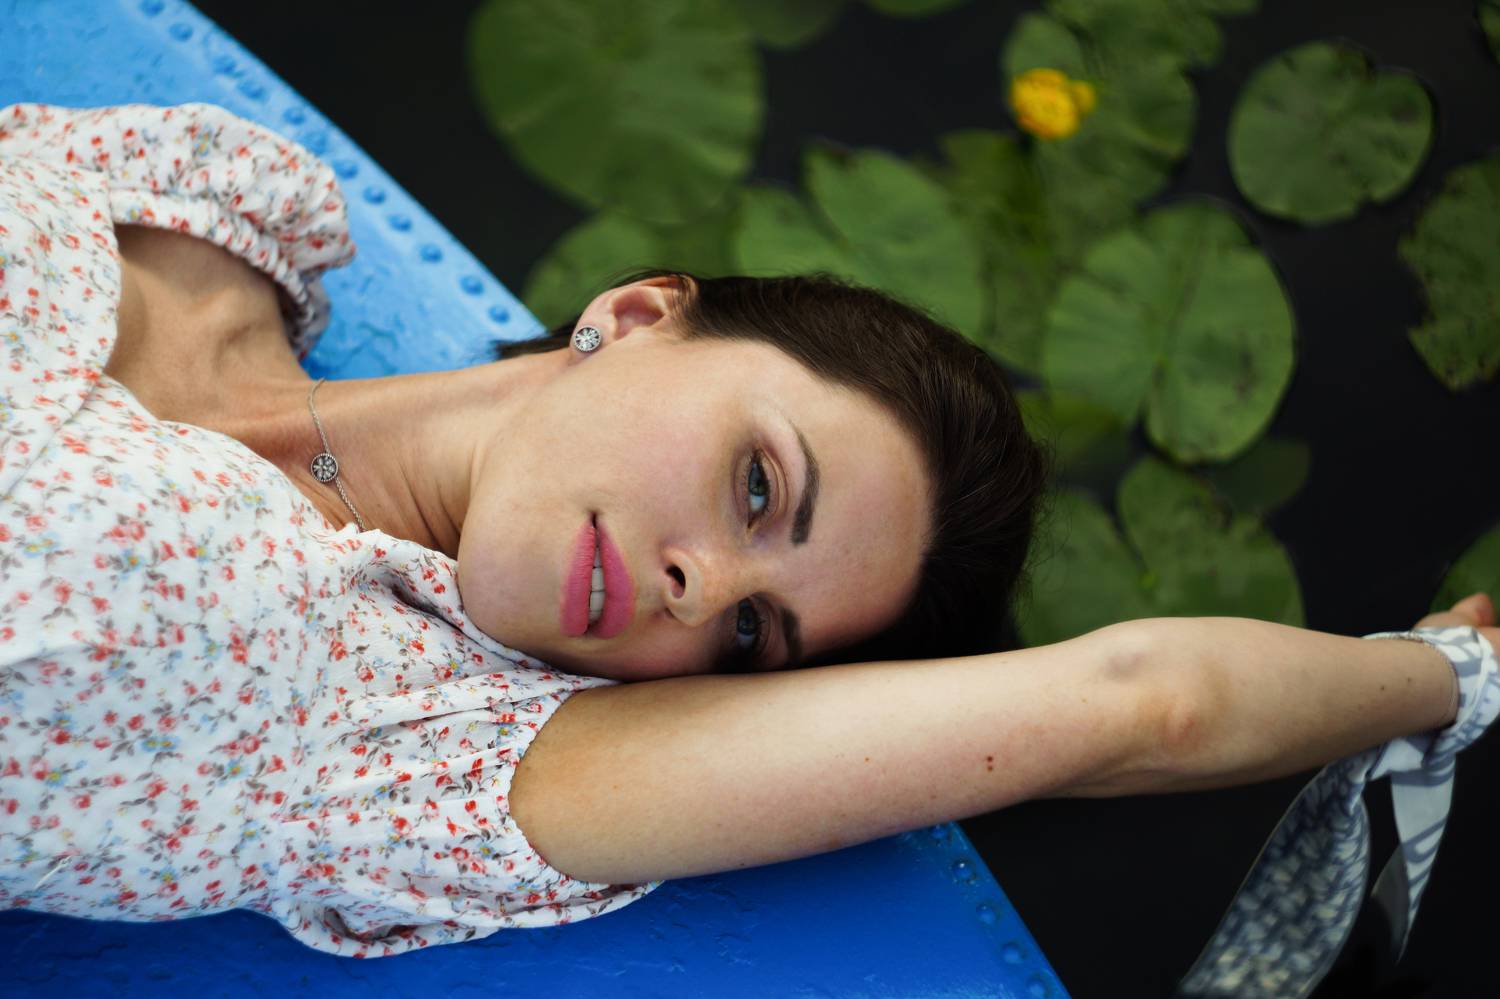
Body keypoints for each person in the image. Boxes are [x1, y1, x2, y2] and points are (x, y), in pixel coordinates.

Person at [1, 102, 1495, 982]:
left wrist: (1448, 676)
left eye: (748, 635)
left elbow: (1139, 706)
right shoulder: (211, 210)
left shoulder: (404, 744)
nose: (701, 585)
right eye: (761, 488)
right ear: (639, 313)